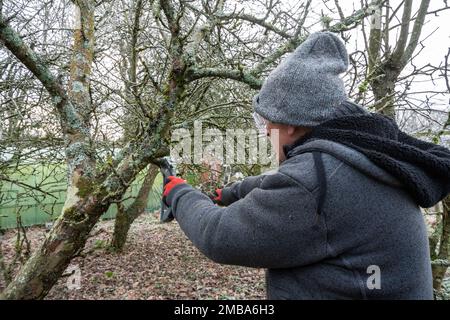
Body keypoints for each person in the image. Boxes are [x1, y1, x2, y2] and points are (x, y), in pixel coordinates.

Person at [162, 32, 450, 299]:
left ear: (288, 124)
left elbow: (219, 236)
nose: (263, 131)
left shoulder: (315, 180)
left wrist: (180, 194)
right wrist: (230, 193)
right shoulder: (359, 151)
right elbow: (283, 182)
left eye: (264, 121)